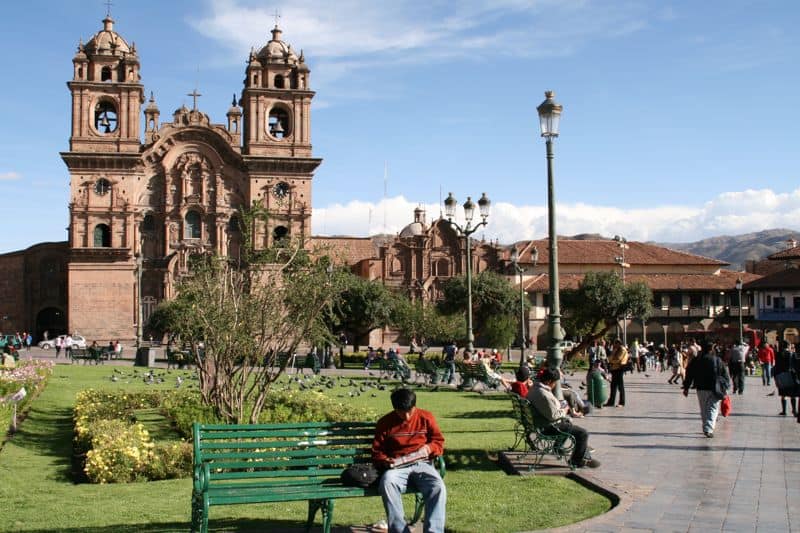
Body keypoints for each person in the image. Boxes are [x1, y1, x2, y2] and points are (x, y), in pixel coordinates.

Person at [372, 388, 446, 533]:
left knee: (438, 486)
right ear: (394, 408)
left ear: (414, 406)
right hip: (397, 467)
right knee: (387, 482)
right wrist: (385, 460)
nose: (406, 416)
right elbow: (377, 452)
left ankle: (434, 531)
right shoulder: (385, 422)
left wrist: (429, 448)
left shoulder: (426, 417)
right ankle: (399, 530)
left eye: (409, 411)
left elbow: (438, 442)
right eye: (401, 412)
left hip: (423, 464)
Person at [527, 367, 600, 468]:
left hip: (539, 423)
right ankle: (577, 460)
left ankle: (576, 452)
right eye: (554, 383)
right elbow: (553, 416)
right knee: (582, 433)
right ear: (549, 381)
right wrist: (564, 410)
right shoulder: (543, 394)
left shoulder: (534, 389)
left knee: (569, 424)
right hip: (548, 427)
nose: (554, 386)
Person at [683, 342, 731, 438]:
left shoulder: (696, 360)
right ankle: (708, 429)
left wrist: (686, 387)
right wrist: (726, 387)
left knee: (704, 408)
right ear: (712, 349)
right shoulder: (717, 360)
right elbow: (725, 374)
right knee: (712, 408)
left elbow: (689, 374)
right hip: (714, 387)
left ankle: (706, 426)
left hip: (700, 388)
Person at [774, 341, 799, 416]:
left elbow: (776, 366)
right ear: (788, 346)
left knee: (783, 394)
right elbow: (796, 366)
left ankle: (784, 411)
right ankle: (794, 410)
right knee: (793, 394)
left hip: (781, 376)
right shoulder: (792, 354)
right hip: (791, 375)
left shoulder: (778, 354)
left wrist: (776, 376)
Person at [605, 339, 629, 407]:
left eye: (615, 344)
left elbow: (618, 359)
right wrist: (612, 356)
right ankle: (611, 402)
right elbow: (610, 358)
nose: (614, 345)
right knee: (613, 386)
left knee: (620, 386)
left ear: (618, 343)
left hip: (619, 369)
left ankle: (622, 402)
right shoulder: (616, 349)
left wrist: (611, 360)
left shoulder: (622, 350)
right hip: (614, 369)